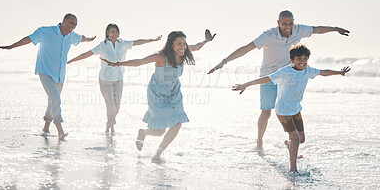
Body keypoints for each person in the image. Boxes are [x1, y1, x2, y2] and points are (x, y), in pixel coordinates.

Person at [208, 10, 350, 149]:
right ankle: (259, 141)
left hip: (288, 76)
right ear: (278, 23)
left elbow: (317, 29)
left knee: (290, 109)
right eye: (284, 24)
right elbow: (246, 48)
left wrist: (336, 29)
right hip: (269, 76)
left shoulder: (299, 30)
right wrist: (224, 61)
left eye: (290, 23)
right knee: (266, 112)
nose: (288, 27)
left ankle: (292, 144)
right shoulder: (268, 35)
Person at [232, 44, 350, 172]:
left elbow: (323, 72)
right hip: (283, 110)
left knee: (301, 139)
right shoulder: (285, 71)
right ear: (292, 60)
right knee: (296, 138)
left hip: (296, 109)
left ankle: (289, 145)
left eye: (305, 59)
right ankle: (293, 169)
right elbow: (266, 79)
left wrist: (340, 72)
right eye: (299, 58)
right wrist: (246, 84)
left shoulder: (307, 70)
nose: (302, 61)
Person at [102, 30, 216, 162]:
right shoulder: (161, 57)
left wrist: (207, 40)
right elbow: (139, 62)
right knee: (160, 130)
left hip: (174, 93)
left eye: (184, 44)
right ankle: (143, 133)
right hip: (157, 94)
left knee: (177, 124)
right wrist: (118, 64)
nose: (183, 47)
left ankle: (158, 153)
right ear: (171, 44)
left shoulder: (184, 53)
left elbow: (197, 46)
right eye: (179, 44)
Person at [0, 13, 96, 140]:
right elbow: (29, 38)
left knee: (52, 101)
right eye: (71, 23)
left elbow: (81, 38)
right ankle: (60, 130)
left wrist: (89, 39)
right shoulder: (45, 31)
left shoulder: (71, 36)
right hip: (45, 71)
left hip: (60, 74)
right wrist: (11, 46)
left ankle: (45, 127)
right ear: (64, 21)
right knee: (56, 99)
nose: (73, 27)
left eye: (75, 25)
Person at [67, 23, 162, 134]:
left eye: (116, 32)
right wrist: (72, 60)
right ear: (107, 33)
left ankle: (109, 122)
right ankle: (110, 128)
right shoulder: (102, 45)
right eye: (112, 31)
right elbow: (86, 54)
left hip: (118, 79)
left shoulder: (122, 43)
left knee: (117, 107)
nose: (114, 34)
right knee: (110, 104)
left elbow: (137, 42)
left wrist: (152, 40)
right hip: (105, 80)